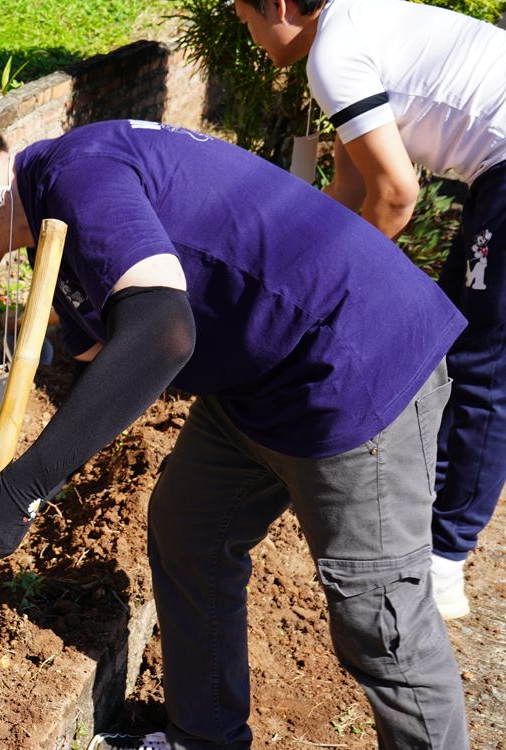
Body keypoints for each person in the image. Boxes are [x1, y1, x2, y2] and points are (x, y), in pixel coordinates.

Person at [0, 103, 469, 749]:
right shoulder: (48, 215)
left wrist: (19, 491)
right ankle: (204, 740)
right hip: (259, 379)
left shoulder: (78, 174)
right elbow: (117, 348)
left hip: (353, 365)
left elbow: (162, 334)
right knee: (190, 534)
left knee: (380, 621)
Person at [233, 0, 506, 620]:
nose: (250, 35)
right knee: (456, 340)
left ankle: (443, 560)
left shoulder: (333, 52)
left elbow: (395, 195)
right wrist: (287, 270)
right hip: (493, 173)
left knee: (482, 366)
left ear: (280, 5)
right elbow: (352, 188)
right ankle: (434, 531)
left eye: (246, 17)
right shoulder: (353, 28)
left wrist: (323, 297)